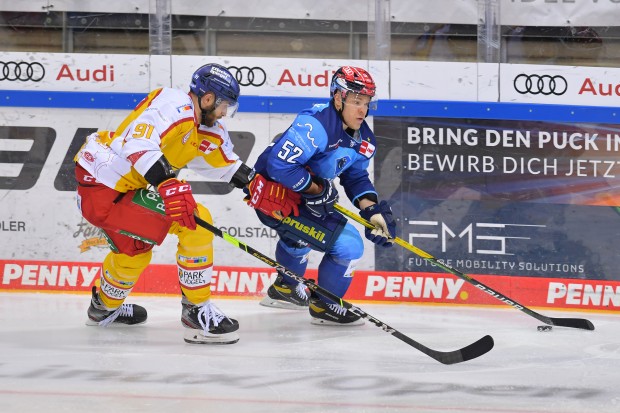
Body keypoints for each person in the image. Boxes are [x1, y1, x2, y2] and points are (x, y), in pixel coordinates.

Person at [74, 63, 298, 344]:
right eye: (223, 105)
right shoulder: (173, 105)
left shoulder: (204, 127)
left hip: (117, 189)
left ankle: (102, 308)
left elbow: (223, 164)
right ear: (207, 99)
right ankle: (196, 309)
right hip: (106, 185)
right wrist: (166, 183)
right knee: (195, 220)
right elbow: (137, 144)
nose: (224, 112)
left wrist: (255, 184)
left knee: (134, 252)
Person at [246, 66, 397, 325]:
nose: (363, 110)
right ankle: (326, 306)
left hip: (297, 200)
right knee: (350, 246)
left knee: (300, 238)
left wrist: (372, 210)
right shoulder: (315, 126)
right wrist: (316, 189)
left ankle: (286, 288)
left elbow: (355, 176)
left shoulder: (364, 138)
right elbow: (279, 166)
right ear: (338, 98)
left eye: (367, 103)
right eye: (356, 102)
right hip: (275, 197)